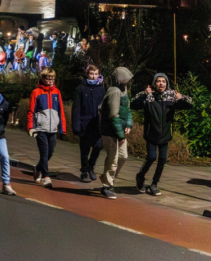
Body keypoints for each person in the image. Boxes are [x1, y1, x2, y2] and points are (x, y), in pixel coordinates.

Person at [131, 73, 192, 196]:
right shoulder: (149, 96)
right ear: (154, 83)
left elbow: (190, 104)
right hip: (151, 134)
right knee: (151, 157)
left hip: (165, 134)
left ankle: (154, 184)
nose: (161, 83)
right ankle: (140, 176)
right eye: (158, 81)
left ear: (166, 83)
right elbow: (133, 104)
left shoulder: (171, 96)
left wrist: (181, 98)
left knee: (163, 159)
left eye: (163, 81)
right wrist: (144, 94)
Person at [27, 67, 66, 188]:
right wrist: (30, 127)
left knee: (50, 152)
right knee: (44, 152)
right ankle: (45, 176)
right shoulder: (36, 92)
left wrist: (62, 128)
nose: (50, 80)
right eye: (48, 78)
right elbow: (31, 111)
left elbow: (61, 110)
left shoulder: (57, 92)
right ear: (42, 78)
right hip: (40, 128)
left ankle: (38, 168)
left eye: (52, 78)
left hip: (53, 128)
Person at [99, 67, 134, 200]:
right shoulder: (114, 92)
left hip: (118, 131)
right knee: (113, 158)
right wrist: (120, 135)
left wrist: (129, 125)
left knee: (123, 156)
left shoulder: (123, 91)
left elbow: (127, 110)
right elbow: (113, 115)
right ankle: (107, 185)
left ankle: (108, 178)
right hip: (110, 131)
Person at [72, 64, 105, 182]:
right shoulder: (80, 89)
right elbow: (76, 108)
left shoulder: (101, 89)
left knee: (98, 146)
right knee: (84, 149)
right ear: (87, 74)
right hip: (84, 124)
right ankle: (84, 171)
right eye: (91, 74)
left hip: (96, 124)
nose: (94, 76)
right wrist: (76, 126)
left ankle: (91, 166)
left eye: (96, 74)